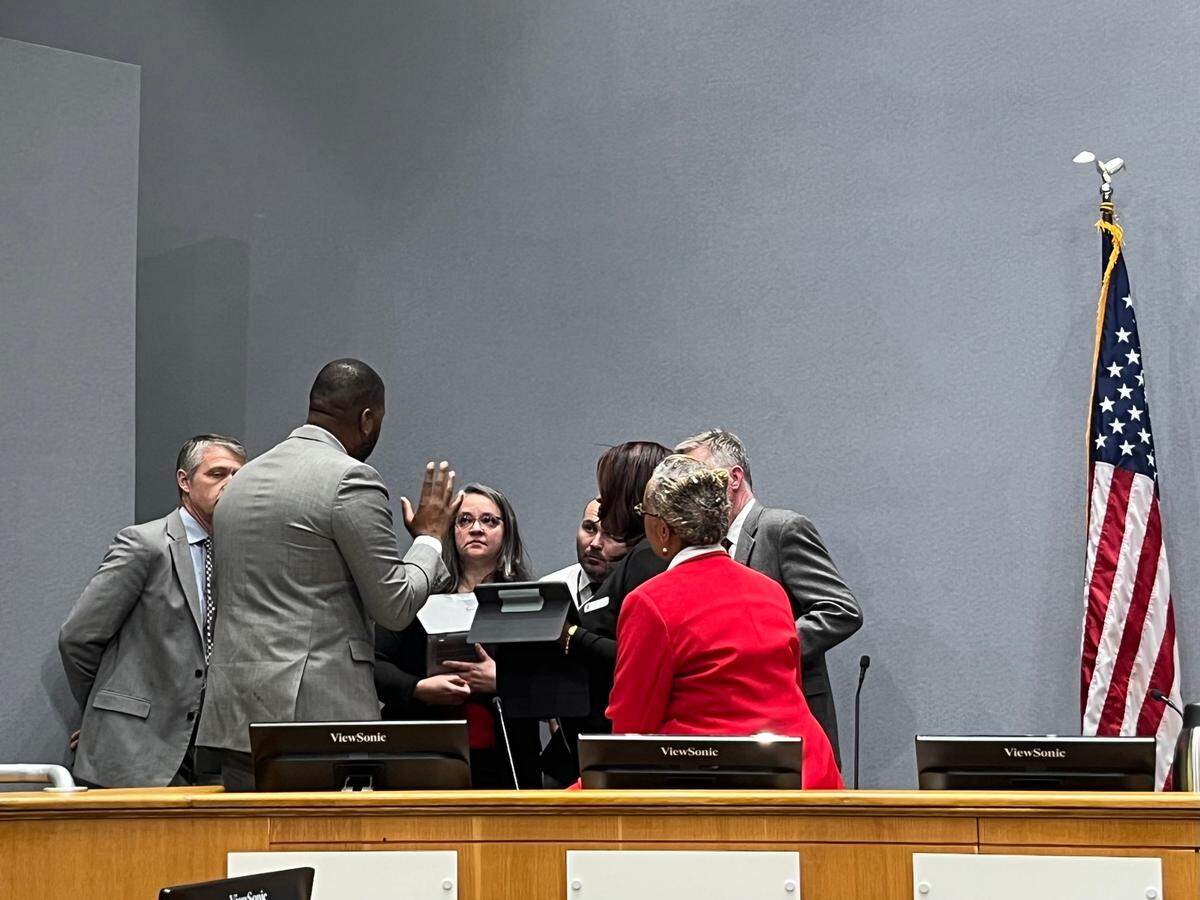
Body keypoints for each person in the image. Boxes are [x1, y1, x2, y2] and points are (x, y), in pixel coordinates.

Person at [195, 359, 460, 789]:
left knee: (249, 854)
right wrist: (429, 540)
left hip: (236, 716)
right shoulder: (350, 480)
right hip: (320, 720)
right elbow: (394, 607)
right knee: (326, 852)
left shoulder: (240, 482)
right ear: (367, 419)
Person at [606, 455, 843, 789]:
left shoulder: (650, 602)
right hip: (806, 772)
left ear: (662, 530)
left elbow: (631, 727)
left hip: (716, 779)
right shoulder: (770, 591)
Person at [59, 434, 245, 787]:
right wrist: (106, 716)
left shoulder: (240, 554)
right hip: (137, 749)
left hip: (210, 748)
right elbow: (78, 637)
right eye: (217, 474)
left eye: (239, 475)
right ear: (185, 481)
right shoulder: (144, 544)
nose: (230, 485)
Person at [675, 428, 861, 764]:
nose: (694, 493)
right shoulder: (703, 547)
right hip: (730, 723)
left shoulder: (781, 527)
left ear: (734, 478)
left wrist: (767, 651)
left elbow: (840, 610)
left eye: (700, 479)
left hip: (792, 719)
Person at [375, 483, 541, 787]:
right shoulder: (418, 593)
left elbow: (559, 685)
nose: (476, 528)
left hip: (505, 760)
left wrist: (503, 680)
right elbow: (374, 663)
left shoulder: (531, 601)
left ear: (508, 533)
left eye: (489, 520)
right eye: (465, 520)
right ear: (451, 530)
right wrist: (418, 687)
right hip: (422, 753)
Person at [556, 441, 670, 764]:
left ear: (629, 495)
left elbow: (636, 658)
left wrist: (570, 636)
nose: (602, 499)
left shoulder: (648, 558)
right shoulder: (642, 555)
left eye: (608, 489)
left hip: (625, 745)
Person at [540, 497, 628, 609]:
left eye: (612, 533)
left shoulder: (644, 593)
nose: (595, 543)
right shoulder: (549, 590)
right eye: (589, 528)